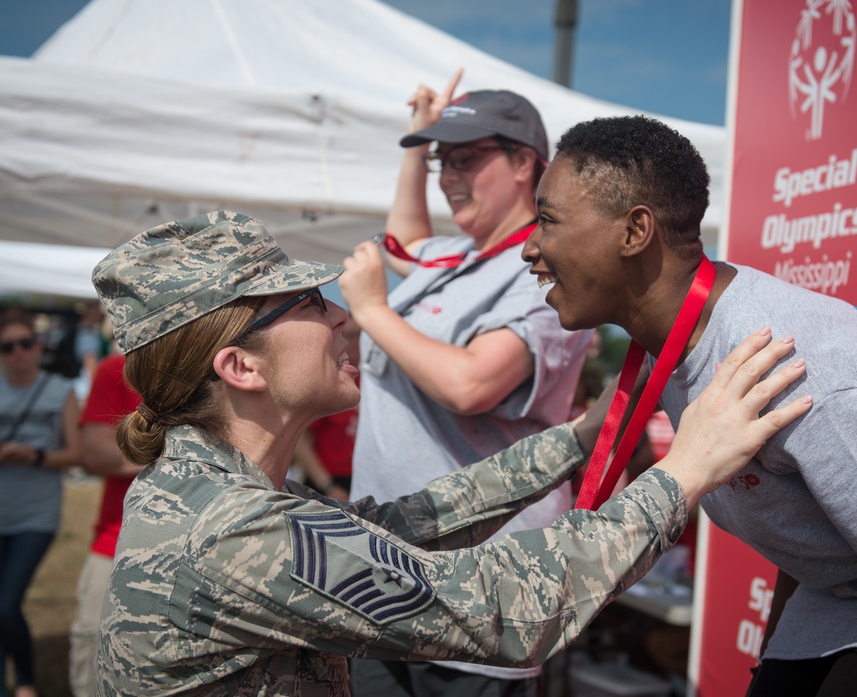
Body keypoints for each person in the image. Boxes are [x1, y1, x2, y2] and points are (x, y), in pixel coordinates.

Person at [89, 210, 811, 695]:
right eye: (309, 304)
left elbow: (400, 527)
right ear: (239, 367)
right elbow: (504, 609)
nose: (342, 315)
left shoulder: (214, 491)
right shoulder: (233, 532)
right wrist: (685, 471)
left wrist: (577, 440)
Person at [519, 114, 857, 697]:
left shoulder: (786, 362)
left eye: (547, 219)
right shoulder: (676, 346)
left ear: (634, 231)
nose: (529, 246)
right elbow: (806, 512)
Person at [340, 71, 593, 695]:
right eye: (440, 162)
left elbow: (473, 384)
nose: (449, 175)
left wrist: (373, 311)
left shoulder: (546, 267)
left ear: (523, 164)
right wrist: (414, 143)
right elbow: (404, 238)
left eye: (466, 158)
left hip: (478, 590)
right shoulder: (455, 254)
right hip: (381, 573)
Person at [0, 316, 82, 697]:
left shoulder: (59, 389)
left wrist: (31, 456)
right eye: (7, 346)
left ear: (38, 347)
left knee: (5, 604)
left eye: (24, 343)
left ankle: (26, 681)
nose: (17, 352)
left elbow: (75, 454)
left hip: (36, 514)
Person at [68, 350, 140, 697]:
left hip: (202, 548)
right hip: (115, 542)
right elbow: (97, 453)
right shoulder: (118, 369)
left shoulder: (219, 367)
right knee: (93, 652)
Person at [294, 317, 361, 499]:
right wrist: (328, 486)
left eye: (362, 335)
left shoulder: (371, 383)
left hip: (363, 481)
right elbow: (300, 440)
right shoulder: (328, 383)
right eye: (350, 335)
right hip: (329, 484)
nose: (357, 342)